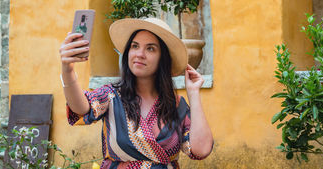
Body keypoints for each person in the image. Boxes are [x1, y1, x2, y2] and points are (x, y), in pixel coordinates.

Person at [59, 17, 213, 168]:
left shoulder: (177, 105)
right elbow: (81, 108)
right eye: (135, 46)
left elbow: (201, 150)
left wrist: (193, 93)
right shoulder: (111, 96)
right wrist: (67, 69)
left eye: (150, 48)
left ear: (163, 58)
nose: (139, 54)